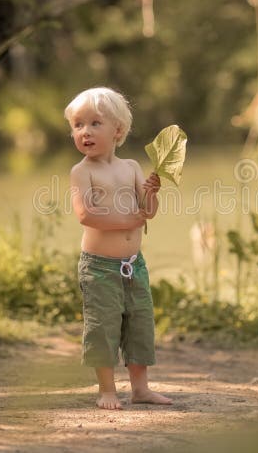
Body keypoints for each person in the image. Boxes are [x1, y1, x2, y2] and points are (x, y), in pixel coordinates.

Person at [65, 87, 173, 410]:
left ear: (118, 131)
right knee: (103, 326)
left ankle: (141, 388)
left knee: (140, 323)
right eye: (78, 125)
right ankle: (107, 389)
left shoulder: (131, 168)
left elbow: (147, 211)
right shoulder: (82, 172)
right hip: (99, 268)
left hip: (133, 265)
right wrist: (130, 220)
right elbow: (87, 215)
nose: (85, 131)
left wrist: (152, 192)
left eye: (95, 123)